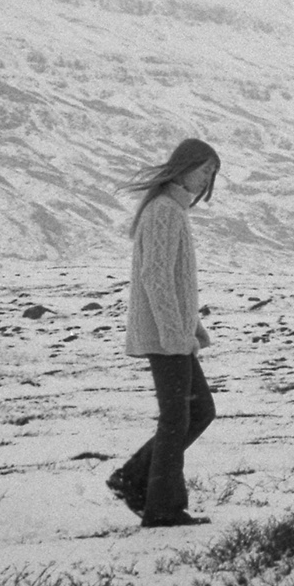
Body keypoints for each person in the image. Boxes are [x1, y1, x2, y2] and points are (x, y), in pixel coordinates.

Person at [107, 138, 220, 527]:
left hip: (173, 334)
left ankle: (134, 478)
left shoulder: (172, 210)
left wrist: (192, 326)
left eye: (211, 173)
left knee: (196, 412)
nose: (206, 179)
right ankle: (162, 508)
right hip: (165, 336)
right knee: (179, 418)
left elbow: (172, 281)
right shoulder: (164, 212)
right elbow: (155, 277)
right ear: (183, 166)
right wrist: (175, 334)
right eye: (203, 169)